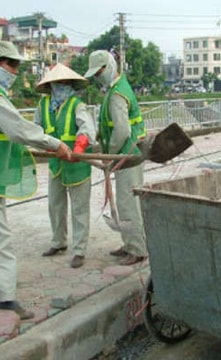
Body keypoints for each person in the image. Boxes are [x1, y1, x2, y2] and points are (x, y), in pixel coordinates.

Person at [0, 41, 72, 320]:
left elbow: (11, 134)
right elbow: (19, 130)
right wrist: (55, 144)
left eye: (17, 65)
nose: (15, 70)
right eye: (10, 64)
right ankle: (6, 300)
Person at [84, 50, 147, 266]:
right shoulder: (116, 90)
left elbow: (122, 132)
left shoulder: (118, 94)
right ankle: (130, 243)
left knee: (128, 203)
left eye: (100, 71)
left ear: (110, 66)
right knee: (127, 202)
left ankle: (137, 249)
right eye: (95, 73)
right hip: (128, 154)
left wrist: (108, 154)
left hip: (127, 154)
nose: (98, 76)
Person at [34, 64, 96, 269]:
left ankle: (79, 250)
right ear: (51, 86)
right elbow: (35, 130)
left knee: (79, 209)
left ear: (70, 85)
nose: (62, 87)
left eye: (65, 83)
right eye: (58, 83)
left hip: (77, 165)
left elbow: (87, 127)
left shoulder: (77, 105)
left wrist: (80, 145)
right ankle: (58, 242)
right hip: (56, 164)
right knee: (55, 206)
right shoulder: (43, 106)